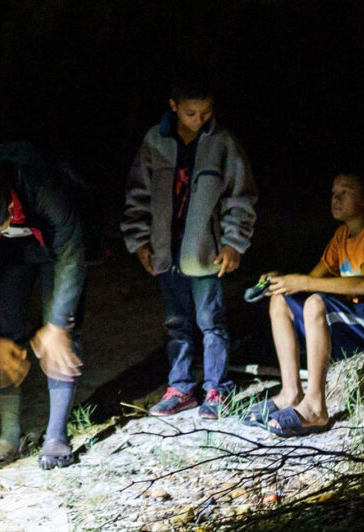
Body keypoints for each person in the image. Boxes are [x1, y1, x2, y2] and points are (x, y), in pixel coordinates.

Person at [121, 82, 258, 418]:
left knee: (211, 320)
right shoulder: (155, 141)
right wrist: (140, 240)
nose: (199, 119)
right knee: (176, 322)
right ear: (173, 106)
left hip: (205, 250)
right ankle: (181, 387)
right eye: (191, 113)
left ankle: (216, 388)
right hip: (166, 248)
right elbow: (137, 193)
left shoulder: (222, 142)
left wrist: (233, 243)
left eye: (206, 112)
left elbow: (240, 197)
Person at [250, 172, 364, 437]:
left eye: (345, 191)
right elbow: (311, 279)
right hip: (362, 320)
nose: (336, 198)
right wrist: (281, 281)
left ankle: (316, 407)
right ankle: (290, 393)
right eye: (333, 193)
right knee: (280, 300)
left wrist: (304, 283)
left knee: (316, 302)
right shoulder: (341, 236)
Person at [0, 142, 88, 470]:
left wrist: (56, 325)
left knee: (61, 333)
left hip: (58, 242)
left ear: (11, 209)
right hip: (16, 254)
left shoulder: (43, 187)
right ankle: (9, 436)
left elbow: (72, 253)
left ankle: (56, 437)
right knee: (4, 330)